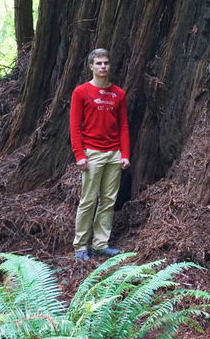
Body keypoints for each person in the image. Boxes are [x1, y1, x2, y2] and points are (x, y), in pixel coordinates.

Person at [70, 48, 130, 261]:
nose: (103, 66)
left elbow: (123, 125)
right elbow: (75, 126)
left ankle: (100, 244)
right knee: (88, 200)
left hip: (114, 153)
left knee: (108, 200)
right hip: (92, 153)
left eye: (106, 63)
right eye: (99, 63)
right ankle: (80, 246)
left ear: (109, 66)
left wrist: (125, 153)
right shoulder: (81, 92)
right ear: (91, 67)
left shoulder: (119, 94)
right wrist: (80, 154)